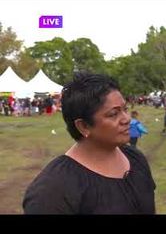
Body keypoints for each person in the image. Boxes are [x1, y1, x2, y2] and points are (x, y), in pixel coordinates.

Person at [23, 72, 156, 214]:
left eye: (125, 109)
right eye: (113, 114)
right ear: (84, 126)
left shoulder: (136, 158)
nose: (127, 119)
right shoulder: (53, 190)